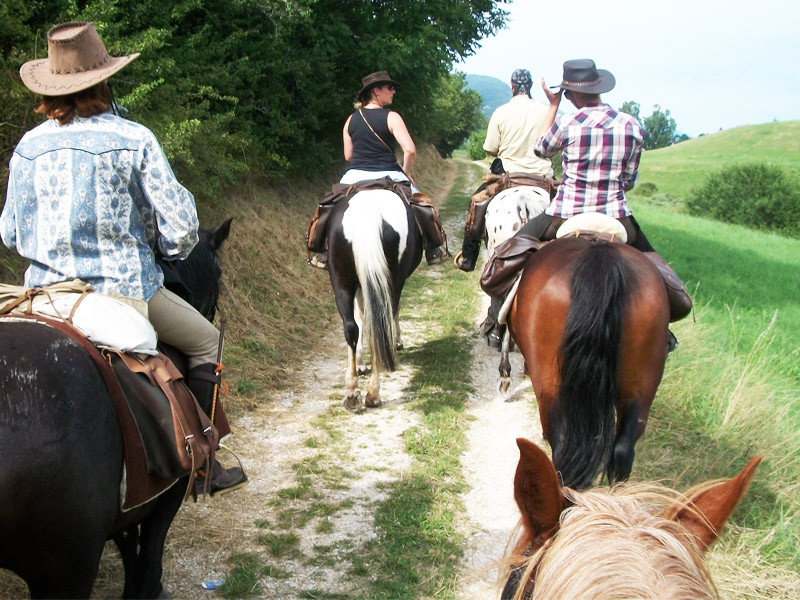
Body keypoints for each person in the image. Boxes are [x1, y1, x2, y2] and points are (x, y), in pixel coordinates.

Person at [1, 22, 246, 495]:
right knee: (206, 340)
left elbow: (11, 233)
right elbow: (181, 230)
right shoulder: (134, 138)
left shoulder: (27, 146)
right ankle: (205, 456)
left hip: (43, 297)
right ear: (104, 80)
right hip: (121, 291)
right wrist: (167, 251)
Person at [481, 59, 691, 348]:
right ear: (598, 88)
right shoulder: (631, 124)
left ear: (568, 93)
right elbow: (628, 180)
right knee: (655, 268)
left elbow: (540, 148)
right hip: (617, 215)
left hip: (565, 213)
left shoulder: (568, 122)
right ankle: (662, 329)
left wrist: (553, 106)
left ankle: (495, 318)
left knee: (509, 252)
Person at [307, 71, 449, 269]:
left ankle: (320, 250)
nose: (393, 91)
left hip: (355, 175)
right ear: (376, 91)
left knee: (328, 204)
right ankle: (434, 249)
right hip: (389, 174)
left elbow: (348, 155)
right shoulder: (392, 117)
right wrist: (406, 173)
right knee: (423, 204)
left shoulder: (350, 120)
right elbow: (410, 150)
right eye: (389, 88)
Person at [456, 68, 555, 273]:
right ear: (530, 86)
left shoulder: (501, 111)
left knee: (475, 203)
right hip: (542, 178)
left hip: (509, 177)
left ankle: (468, 256)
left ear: (512, 86)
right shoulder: (546, 111)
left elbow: (490, 148)